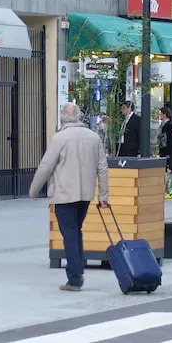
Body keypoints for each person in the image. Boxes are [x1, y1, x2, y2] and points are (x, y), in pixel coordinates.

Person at [29, 102, 109, 292]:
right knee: (76, 231)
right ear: (79, 116)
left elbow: (46, 165)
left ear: (62, 118)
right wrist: (103, 195)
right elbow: (102, 168)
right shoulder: (93, 137)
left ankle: (75, 278)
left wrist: (34, 190)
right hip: (85, 194)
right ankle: (78, 270)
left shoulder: (60, 138)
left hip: (64, 193)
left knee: (70, 234)